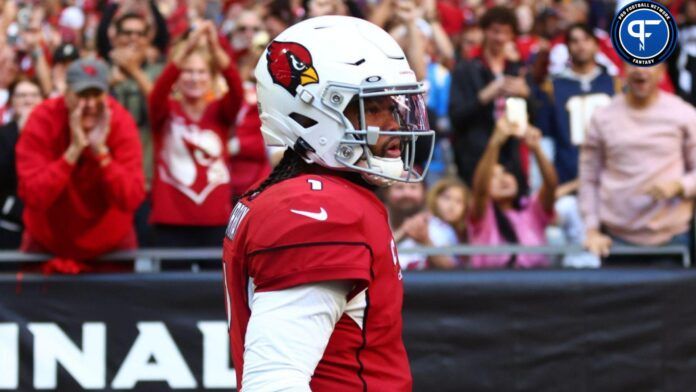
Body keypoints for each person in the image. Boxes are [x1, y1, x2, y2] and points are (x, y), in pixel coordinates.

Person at [222, 15, 435, 390]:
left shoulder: (301, 191)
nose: (395, 123)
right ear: (311, 111)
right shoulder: (314, 209)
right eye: (373, 107)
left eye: (394, 105)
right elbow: (274, 380)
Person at [15, 59, 145, 269]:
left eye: (97, 95)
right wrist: (73, 152)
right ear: (66, 95)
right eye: (83, 95)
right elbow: (33, 195)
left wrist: (101, 153)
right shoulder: (42, 118)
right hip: (48, 245)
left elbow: (130, 198)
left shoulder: (120, 120)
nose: (91, 104)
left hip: (109, 249)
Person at [580, 63, 696, 266]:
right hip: (615, 240)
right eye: (633, 63)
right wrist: (591, 229)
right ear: (624, 69)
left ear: (662, 72)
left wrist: (679, 186)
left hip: (672, 240)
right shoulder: (603, 116)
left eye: (650, 64)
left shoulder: (684, 114)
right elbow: (589, 178)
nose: (640, 70)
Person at [148, 20, 243, 247]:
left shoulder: (220, 111)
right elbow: (157, 92)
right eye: (187, 72)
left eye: (201, 72)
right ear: (177, 77)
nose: (194, 78)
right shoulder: (164, 111)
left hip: (215, 220)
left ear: (211, 77)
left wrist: (215, 47)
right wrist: (187, 48)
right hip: (170, 221)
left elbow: (236, 89)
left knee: (215, 283)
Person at [540, 23, 617, 267]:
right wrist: (544, 185)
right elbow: (546, 140)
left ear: (595, 44)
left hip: (612, 184)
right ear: (567, 47)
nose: (581, 45)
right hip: (566, 180)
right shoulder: (553, 86)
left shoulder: (615, 83)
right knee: (564, 246)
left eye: (586, 39)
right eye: (574, 40)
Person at [448, 6, 530, 185]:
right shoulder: (465, 69)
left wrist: (527, 95)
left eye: (506, 32)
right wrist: (485, 96)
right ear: (484, 31)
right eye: (495, 31)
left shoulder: (518, 69)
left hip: (512, 157)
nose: (500, 38)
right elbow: (456, 117)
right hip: (476, 156)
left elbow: (537, 115)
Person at [468, 118, 558, 269]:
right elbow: (480, 190)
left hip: (535, 286)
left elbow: (550, 186)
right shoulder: (483, 215)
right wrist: (494, 143)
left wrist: (536, 148)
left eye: (505, 172)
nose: (502, 179)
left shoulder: (532, 210)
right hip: (492, 288)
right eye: (493, 177)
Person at [0, 77, 43, 249]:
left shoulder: (55, 134)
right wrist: (21, 134)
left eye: (34, 95)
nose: (28, 100)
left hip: (44, 221)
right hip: (9, 222)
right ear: (12, 102)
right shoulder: (3, 135)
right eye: (22, 95)